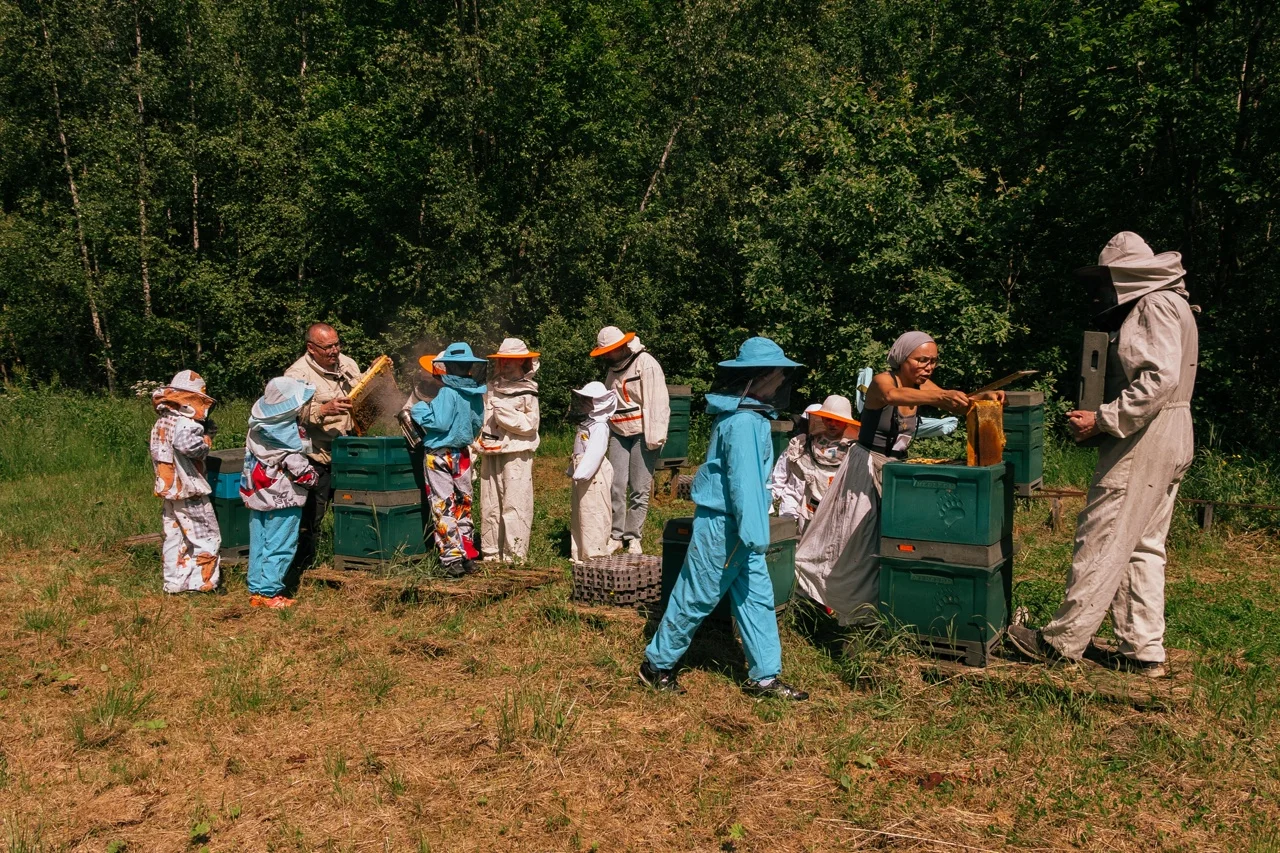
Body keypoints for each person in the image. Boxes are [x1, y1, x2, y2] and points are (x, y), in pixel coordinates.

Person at [1008, 232, 1198, 678]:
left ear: (1126, 275)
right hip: (1174, 432)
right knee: (1144, 546)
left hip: (1147, 436)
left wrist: (1103, 419)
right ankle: (1143, 649)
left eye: (1108, 280)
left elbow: (1157, 380)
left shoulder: (1153, 305)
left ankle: (1061, 642)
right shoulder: (1178, 306)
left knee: (1103, 535)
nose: (1104, 291)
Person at [640, 336, 808, 700]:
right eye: (779, 372)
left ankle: (764, 676)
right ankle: (656, 665)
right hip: (727, 527)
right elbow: (744, 484)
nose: (782, 380)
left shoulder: (749, 418)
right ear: (762, 375)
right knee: (696, 595)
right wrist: (754, 533)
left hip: (742, 528)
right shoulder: (744, 423)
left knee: (756, 599)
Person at [793, 332, 999, 625]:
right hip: (865, 469)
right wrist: (942, 396)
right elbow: (893, 396)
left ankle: (875, 605)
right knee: (851, 539)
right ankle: (826, 601)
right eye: (921, 360)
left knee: (887, 540)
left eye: (933, 361)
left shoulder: (923, 386)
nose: (928, 367)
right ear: (903, 358)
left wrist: (982, 399)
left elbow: (952, 402)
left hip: (896, 471)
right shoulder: (882, 381)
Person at [284, 322, 361, 573]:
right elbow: (289, 413)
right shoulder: (296, 375)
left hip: (349, 449)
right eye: (328, 347)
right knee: (312, 514)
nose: (334, 351)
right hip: (317, 454)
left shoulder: (348, 364)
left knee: (353, 508)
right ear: (311, 348)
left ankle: (350, 557)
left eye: (337, 344)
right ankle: (303, 565)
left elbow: (363, 392)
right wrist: (323, 410)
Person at [239, 377, 320, 609]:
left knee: (260, 543)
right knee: (281, 544)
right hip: (284, 501)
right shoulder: (287, 439)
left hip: (257, 497)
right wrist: (314, 478)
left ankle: (256, 589)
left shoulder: (257, 430)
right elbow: (301, 472)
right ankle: (270, 592)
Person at [410, 342, 487, 578]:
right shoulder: (475, 393)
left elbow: (440, 422)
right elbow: (476, 425)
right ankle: (468, 555)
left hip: (439, 455)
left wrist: (420, 409)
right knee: (464, 504)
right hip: (462, 454)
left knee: (443, 504)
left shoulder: (447, 392)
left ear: (449, 366)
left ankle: (451, 559)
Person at [592, 326, 670, 555]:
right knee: (615, 485)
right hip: (618, 431)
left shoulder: (646, 362)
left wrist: (654, 437)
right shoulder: (612, 369)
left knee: (639, 487)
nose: (606, 356)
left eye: (609, 351)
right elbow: (608, 401)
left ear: (621, 347)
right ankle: (616, 535)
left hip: (642, 433)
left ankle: (634, 537)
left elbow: (657, 401)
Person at [149, 370, 221, 594]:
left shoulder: (162, 421)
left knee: (175, 537)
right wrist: (206, 441)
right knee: (206, 536)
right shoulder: (186, 423)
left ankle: (174, 583)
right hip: (189, 490)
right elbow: (187, 445)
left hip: (169, 491)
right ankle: (203, 584)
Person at [476, 339, 541, 562]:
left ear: (522, 360)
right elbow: (484, 420)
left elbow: (531, 425)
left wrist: (504, 415)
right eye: (502, 359)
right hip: (490, 450)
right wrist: (476, 447)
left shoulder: (528, 391)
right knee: (490, 504)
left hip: (516, 453)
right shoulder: (493, 388)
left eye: (510, 360)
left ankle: (514, 556)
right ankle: (492, 553)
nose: (505, 363)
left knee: (515, 503)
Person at [772, 395, 859, 533]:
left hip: (838, 507)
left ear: (846, 422)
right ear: (822, 419)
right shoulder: (805, 444)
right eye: (829, 419)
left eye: (837, 421)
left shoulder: (854, 449)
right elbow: (788, 473)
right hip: (809, 506)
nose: (832, 424)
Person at [568, 381, 618, 565]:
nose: (583, 403)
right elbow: (579, 450)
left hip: (593, 474)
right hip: (583, 472)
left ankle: (595, 554)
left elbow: (596, 452)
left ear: (599, 402)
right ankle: (580, 552)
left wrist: (582, 473)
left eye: (587, 400)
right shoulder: (588, 423)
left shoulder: (600, 426)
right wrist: (573, 469)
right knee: (581, 511)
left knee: (594, 511)